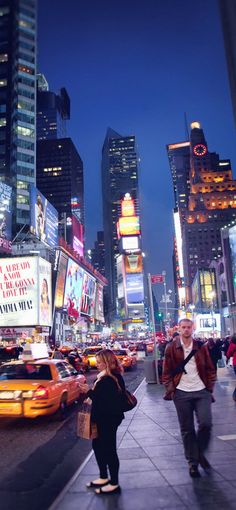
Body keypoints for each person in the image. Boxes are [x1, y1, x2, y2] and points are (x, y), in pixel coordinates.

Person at [162, 318, 216, 478]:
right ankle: (193, 463)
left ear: (192, 329)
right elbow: (166, 372)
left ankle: (199, 453)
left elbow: (210, 368)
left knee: (206, 423)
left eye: (188, 327)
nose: (186, 330)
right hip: (181, 392)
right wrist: (172, 389)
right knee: (187, 430)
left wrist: (209, 387)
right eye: (183, 327)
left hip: (201, 391)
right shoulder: (171, 347)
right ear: (178, 329)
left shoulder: (201, 346)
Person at [78, 349, 125, 494]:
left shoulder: (110, 379)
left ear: (107, 362)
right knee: (98, 446)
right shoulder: (105, 377)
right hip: (102, 418)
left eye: (99, 362)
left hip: (108, 419)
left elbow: (105, 401)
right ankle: (104, 476)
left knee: (109, 449)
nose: (96, 364)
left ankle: (114, 483)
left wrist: (89, 391)